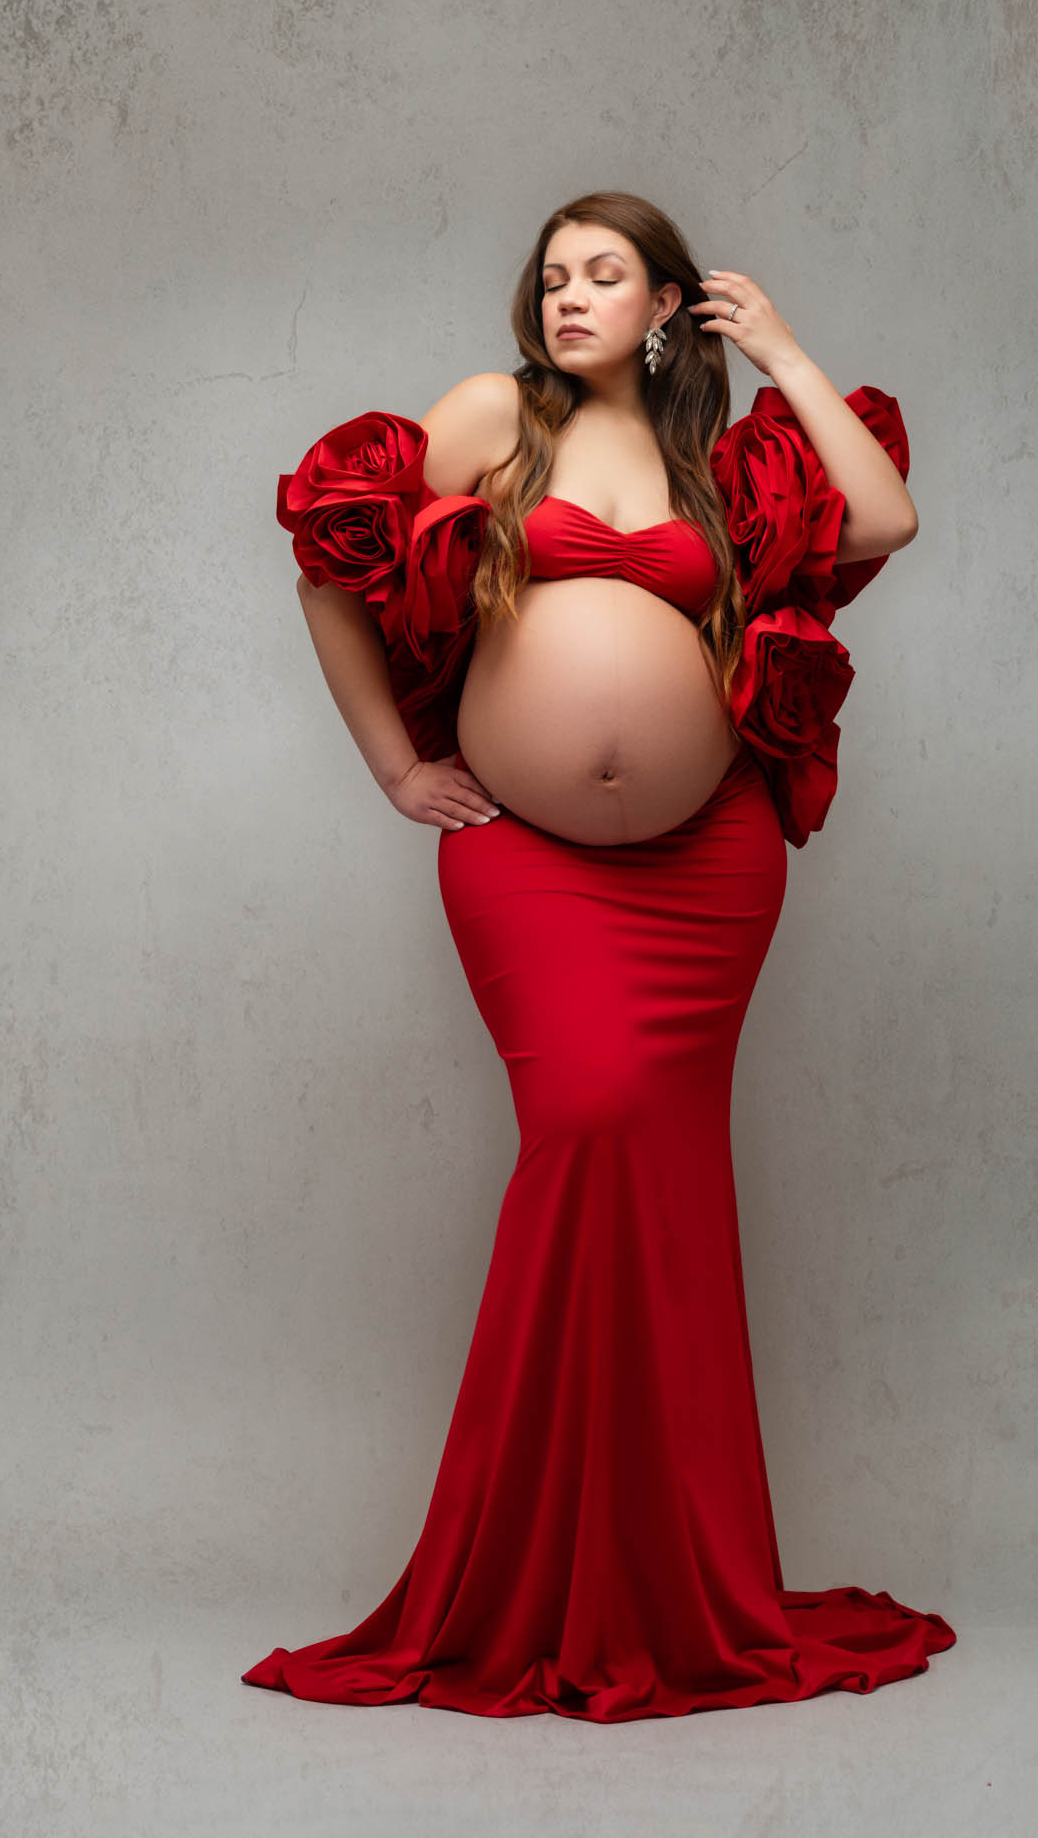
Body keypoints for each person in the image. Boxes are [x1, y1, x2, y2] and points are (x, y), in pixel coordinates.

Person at [241, 191, 956, 1721]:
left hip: (709, 873)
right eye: (553, 274)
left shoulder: (720, 463)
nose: (569, 295)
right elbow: (331, 555)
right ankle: (522, 1574)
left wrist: (778, 349)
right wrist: (390, 768)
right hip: (528, 864)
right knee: (586, 1130)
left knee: (670, 1177)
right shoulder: (495, 416)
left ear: (666, 301)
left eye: (604, 274)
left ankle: (673, 1578)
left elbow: (883, 519)